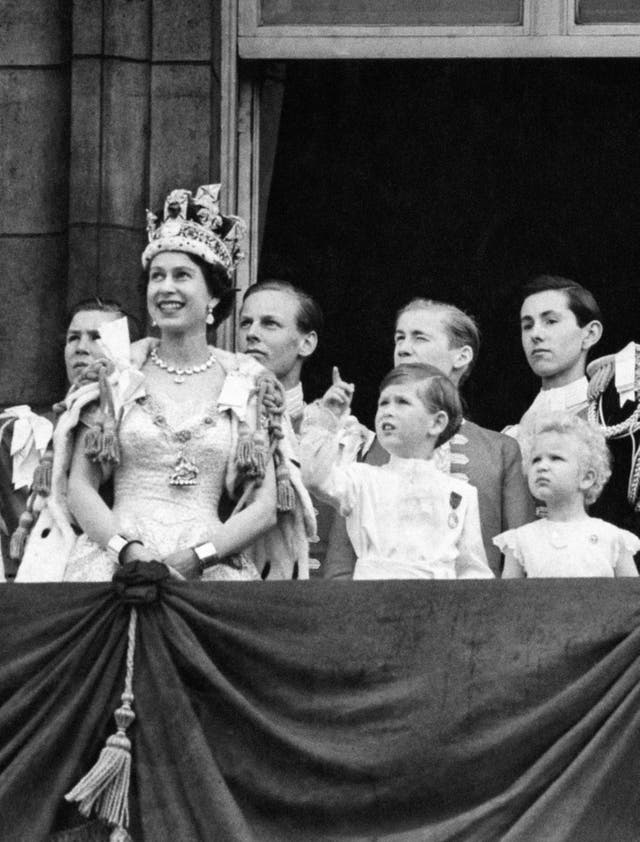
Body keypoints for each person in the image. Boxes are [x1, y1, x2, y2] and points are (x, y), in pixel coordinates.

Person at [63, 184, 315, 582]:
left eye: (182, 275)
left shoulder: (247, 383)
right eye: (157, 277)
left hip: (210, 563)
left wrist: (199, 557)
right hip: (114, 562)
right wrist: (127, 551)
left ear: (213, 297)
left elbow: (266, 507)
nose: (166, 287)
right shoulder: (118, 374)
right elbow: (80, 487)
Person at [325, 298, 534, 578]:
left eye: (419, 338)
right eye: (399, 338)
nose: (403, 348)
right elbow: (341, 563)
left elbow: (518, 554)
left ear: (461, 356)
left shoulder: (501, 449)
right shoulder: (365, 448)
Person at [301, 363, 493, 580]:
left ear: (437, 422)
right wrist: (327, 418)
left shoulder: (460, 493)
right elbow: (312, 477)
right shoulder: (361, 479)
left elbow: (472, 569)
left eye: (402, 402)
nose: (387, 412)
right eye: (383, 403)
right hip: (372, 600)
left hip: (437, 605)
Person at [1, 298, 137, 581]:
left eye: (97, 337)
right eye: (73, 337)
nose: (81, 348)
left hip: (124, 565)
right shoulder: (25, 430)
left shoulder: (138, 422)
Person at [495, 413, 638, 578]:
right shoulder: (520, 541)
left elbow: (632, 598)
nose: (542, 466)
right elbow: (509, 600)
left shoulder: (613, 539)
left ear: (586, 478)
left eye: (555, 458)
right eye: (535, 460)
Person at [507, 275, 603, 437]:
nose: (535, 334)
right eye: (527, 326)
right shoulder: (510, 437)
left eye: (551, 321)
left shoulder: (609, 420)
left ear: (590, 334)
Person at [238, 280, 320, 433]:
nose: (251, 333)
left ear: (307, 344)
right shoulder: (212, 422)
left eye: (270, 323)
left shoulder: (336, 436)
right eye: (246, 323)